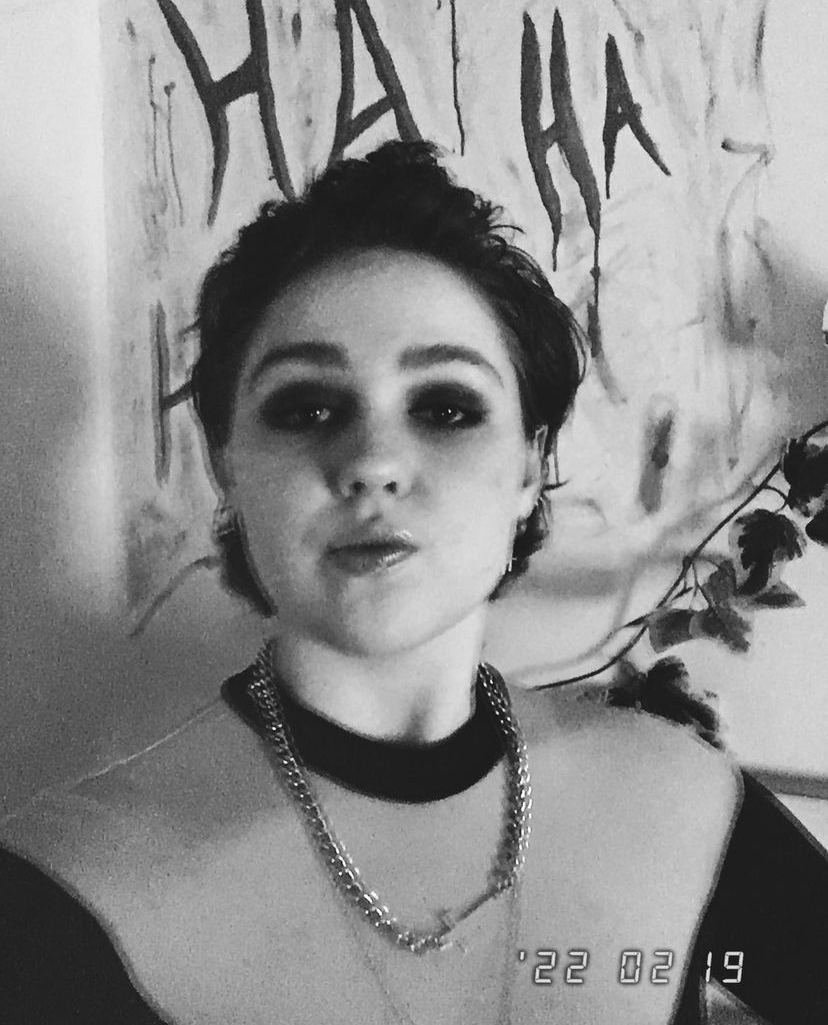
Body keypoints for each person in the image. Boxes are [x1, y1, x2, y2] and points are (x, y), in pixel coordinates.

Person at [1, 140, 826, 1025]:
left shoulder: (684, 806)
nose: (373, 461)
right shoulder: (58, 893)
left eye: (445, 408)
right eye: (306, 407)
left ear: (529, 467)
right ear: (227, 462)